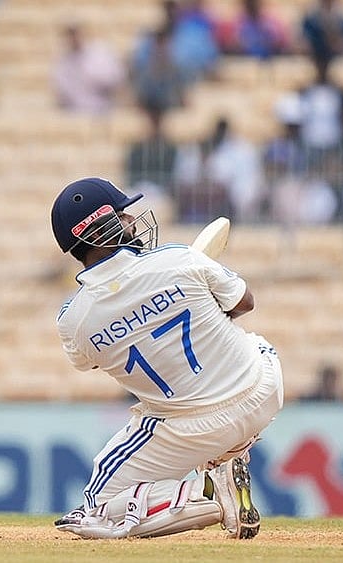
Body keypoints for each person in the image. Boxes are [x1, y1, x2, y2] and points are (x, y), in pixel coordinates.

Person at [49, 177, 284, 539]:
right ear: (97, 231)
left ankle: (204, 494)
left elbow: (87, 361)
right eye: (122, 215)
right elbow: (244, 303)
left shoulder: (73, 320)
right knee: (255, 344)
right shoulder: (179, 258)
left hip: (189, 429)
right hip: (263, 389)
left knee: (97, 506)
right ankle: (225, 459)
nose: (131, 220)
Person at [52, 21, 125, 115]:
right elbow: (62, 91)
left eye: (76, 34)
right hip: (76, 113)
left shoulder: (100, 52)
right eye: (70, 35)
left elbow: (116, 79)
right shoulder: (63, 62)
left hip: (102, 109)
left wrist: (95, 79)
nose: (74, 38)